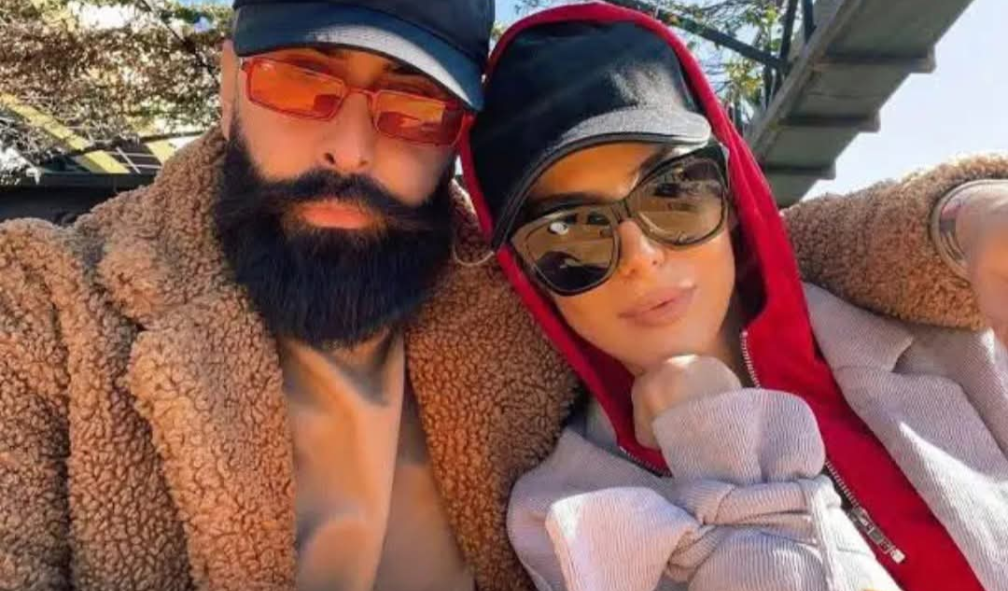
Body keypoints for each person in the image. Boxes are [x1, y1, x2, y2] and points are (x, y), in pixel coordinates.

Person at [0, 1, 1002, 590]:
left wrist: (959, 219)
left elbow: (772, 247)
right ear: (227, 85)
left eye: (412, 105)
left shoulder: (493, 289)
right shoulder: (48, 308)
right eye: (302, 84)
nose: (350, 146)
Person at [463, 4, 1008, 591]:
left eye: (674, 190)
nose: (641, 254)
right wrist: (722, 446)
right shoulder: (563, 519)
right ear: (527, 273)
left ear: (732, 191)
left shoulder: (943, 341)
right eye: (568, 232)